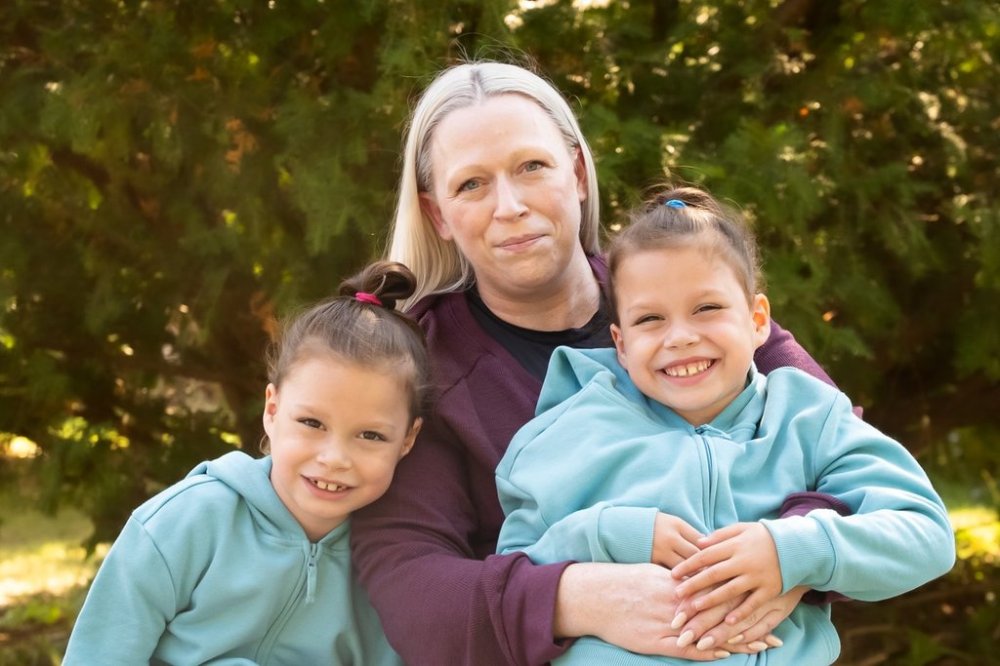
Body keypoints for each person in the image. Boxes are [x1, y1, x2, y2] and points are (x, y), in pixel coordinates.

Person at [351, 60, 851, 666]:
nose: (509, 205)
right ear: (438, 216)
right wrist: (577, 598)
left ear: (579, 174)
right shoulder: (417, 369)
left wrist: (782, 558)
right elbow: (409, 587)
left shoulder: (682, 287)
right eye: (472, 184)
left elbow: (852, 466)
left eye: (532, 167)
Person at [494, 186, 956, 665]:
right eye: (650, 318)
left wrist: (790, 551)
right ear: (622, 344)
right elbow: (513, 581)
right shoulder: (573, 431)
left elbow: (926, 533)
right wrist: (607, 533)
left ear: (757, 320)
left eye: (707, 308)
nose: (680, 337)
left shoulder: (807, 417)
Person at [63, 262, 430, 665]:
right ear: (272, 410)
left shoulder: (392, 562)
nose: (334, 458)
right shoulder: (189, 520)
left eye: (370, 435)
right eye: (312, 423)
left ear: (407, 439)